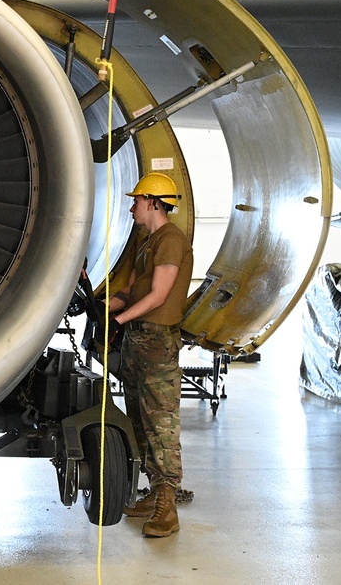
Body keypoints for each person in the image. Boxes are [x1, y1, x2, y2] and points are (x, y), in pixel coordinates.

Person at [107, 172, 193, 538]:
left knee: (161, 424)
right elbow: (132, 289)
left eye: (136, 201)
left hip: (157, 342)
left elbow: (158, 295)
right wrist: (105, 308)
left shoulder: (171, 241)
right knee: (140, 422)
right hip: (138, 342)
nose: (132, 207)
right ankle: (154, 492)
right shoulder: (149, 241)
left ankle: (167, 506)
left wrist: (119, 319)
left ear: (153, 203)